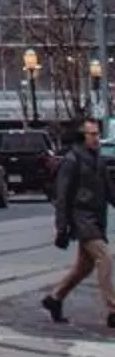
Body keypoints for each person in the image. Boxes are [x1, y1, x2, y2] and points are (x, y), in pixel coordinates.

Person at [44, 119, 115, 330]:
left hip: (96, 218)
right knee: (105, 257)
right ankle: (113, 309)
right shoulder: (72, 160)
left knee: (84, 267)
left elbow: (109, 191)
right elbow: (62, 195)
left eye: (96, 134)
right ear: (82, 137)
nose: (96, 138)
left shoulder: (98, 160)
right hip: (81, 218)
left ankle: (55, 298)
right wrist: (61, 226)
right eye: (91, 134)